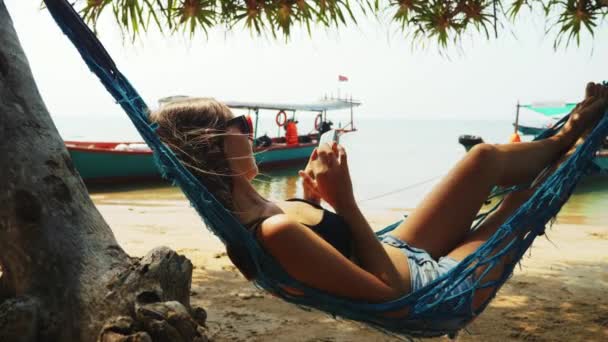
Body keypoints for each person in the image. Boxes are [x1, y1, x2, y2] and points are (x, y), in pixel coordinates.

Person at [150, 83, 608, 312]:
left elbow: (338, 251)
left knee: (484, 158)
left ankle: (572, 130)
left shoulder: (265, 209)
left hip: (398, 250)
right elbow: (387, 294)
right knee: (525, 198)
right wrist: (345, 203)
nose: (251, 133)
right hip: (432, 287)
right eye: (241, 126)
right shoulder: (272, 229)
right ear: (212, 147)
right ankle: (577, 137)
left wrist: (319, 202)